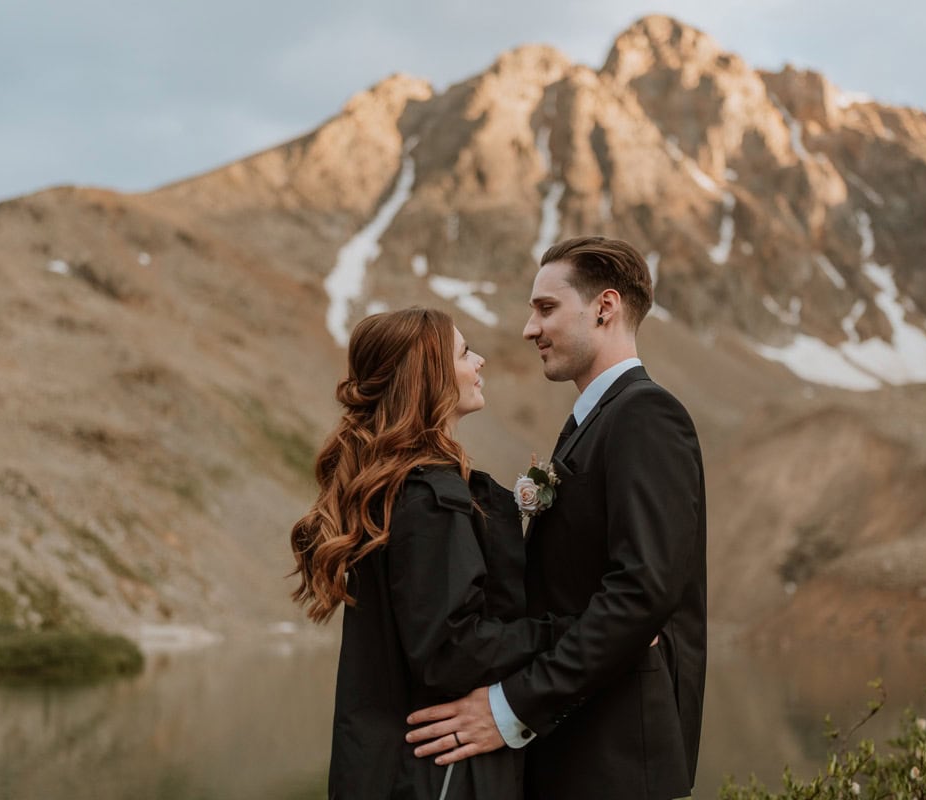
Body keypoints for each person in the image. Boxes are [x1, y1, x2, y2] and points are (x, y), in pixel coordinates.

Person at [406, 236, 707, 799]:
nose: (528, 329)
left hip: (616, 759)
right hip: (577, 751)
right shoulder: (591, 425)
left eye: (545, 308)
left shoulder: (646, 415)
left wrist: (510, 706)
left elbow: (642, 592)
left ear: (605, 308)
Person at [290, 308, 568, 799]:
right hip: (434, 775)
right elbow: (452, 652)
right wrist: (571, 630)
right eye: (464, 353)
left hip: (401, 769)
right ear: (430, 377)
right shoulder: (426, 498)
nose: (480, 361)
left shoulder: (398, 486)